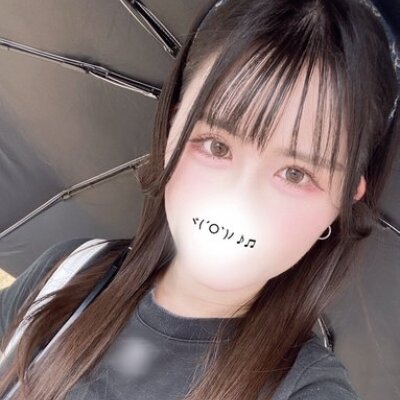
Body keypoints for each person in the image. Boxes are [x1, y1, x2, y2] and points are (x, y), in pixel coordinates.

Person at [0, 0, 399, 399]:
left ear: (345, 198)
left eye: (296, 174)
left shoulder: (307, 391)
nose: (239, 200)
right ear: (173, 126)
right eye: (216, 146)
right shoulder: (66, 274)